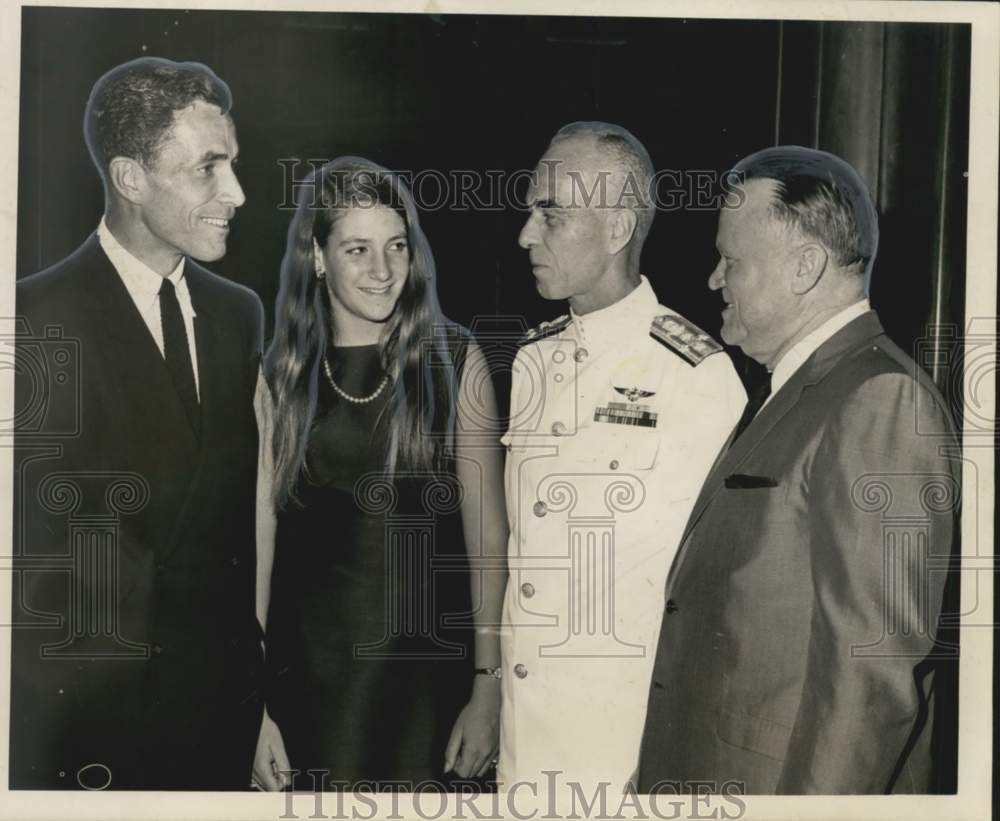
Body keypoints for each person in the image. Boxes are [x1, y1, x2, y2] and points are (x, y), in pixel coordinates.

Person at [637, 146, 960, 794]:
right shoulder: (795, 389)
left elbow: (868, 685)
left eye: (731, 260)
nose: (712, 279)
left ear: (805, 266)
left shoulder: (877, 399)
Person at [11, 57, 265, 789]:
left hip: (222, 722)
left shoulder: (238, 312)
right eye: (208, 169)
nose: (237, 193)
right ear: (129, 177)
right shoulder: (34, 321)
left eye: (234, 165)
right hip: (95, 741)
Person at [499, 122, 747, 793]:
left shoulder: (695, 376)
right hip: (525, 742)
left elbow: (711, 598)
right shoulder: (533, 360)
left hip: (624, 752)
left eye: (550, 214)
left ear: (616, 229)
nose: (526, 234)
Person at [254, 157, 508, 790]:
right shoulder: (280, 377)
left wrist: (489, 687)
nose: (383, 270)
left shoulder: (457, 361)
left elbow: (488, 545)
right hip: (311, 688)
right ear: (318, 256)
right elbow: (259, 549)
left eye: (397, 246)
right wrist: (252, 705)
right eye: (357, 249)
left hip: (430, 691)